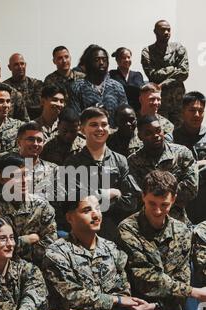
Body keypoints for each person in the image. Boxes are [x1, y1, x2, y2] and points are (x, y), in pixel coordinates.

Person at [41, 193, 153, 310]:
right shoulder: (56, 253)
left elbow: (124, 295)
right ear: (69, 217)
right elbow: (72, 298)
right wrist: (115, 300)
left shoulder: (111, 249)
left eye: (98, 209)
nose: (96, 214)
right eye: (87, 210)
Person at [118, 170, 206, 310]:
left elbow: (182, 276)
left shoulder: (182, 231)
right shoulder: (127, 229)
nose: (158, 211)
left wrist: (160, 304)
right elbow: (144, 277)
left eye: (164, 205)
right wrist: (194, 292)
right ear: (143, 196)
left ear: (174, 199)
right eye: (152, 204)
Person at [65, 107, 140, 241]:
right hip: (84, 235)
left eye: (104, 125)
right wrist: (111, 193)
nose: (100, 129)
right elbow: (74, 202)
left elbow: (132, 201)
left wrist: (98, 199)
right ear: (82, 130)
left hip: (117, 233)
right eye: (94, 125)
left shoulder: (120, 160)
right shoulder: (72, 163)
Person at [0, 155, 57, 267]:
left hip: (38, 267)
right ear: (1, 178)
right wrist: (27, 240)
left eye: (26, 175)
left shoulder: (42, 206)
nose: (23, 181)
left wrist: (13, 245)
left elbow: (50, 247)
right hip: (1, 267)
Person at [128, 115, 198, 224]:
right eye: (148, 133)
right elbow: (136, 195)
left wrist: (156, 197)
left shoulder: (182, 153)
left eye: (158, 130)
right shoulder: (133, 161)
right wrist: (169, 195)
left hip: (177, 221)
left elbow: (191, 188)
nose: (155, 135)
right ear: (140, 136)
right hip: (146, 223)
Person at [165, 92, 206, 223]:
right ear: (182, 111)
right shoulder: (171, 139)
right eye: (192, 110)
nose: (197, 115)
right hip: (181, 203)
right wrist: (200, 164)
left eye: (201, 111)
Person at [141, 20, 189, 127]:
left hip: (178, 101)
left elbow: (184, 72)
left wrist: (162, 84)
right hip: (158, 102)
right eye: (163, 30)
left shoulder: (178, 48)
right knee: (159, 131)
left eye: (169, 30)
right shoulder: (147, 51)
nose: (166, 32)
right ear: (155, 32)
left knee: (179, 134)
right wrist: (173, 69)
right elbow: (152, 74)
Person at [69, 45, 127, 128]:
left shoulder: (117, 86)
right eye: (97, 60)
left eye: (104, 60)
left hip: (114, 137)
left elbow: (124, 114)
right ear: (88, 63)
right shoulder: (77, 87)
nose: (101, 63)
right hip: (87, 136)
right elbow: (74, 117)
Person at [4, 53, 43, 119]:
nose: (20, 67)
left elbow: (38, 106)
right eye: (16, 64)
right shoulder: (5, 87)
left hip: (35, 123)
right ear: (9, 67)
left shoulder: (36, 84)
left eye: (22, 64)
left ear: (25, 65)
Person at [109, 47, 144, 112]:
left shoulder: (138, 75)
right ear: (117, 60)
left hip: (136, 111)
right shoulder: (111, 74)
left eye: (128, 57)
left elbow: (142, 92)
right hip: (117, 111)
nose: (127, 60)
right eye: (123, 58)